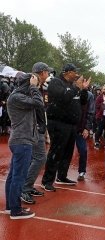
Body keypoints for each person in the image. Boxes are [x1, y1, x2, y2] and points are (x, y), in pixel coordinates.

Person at [41, 63, 90, 191]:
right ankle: (47, 180)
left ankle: (61, 176)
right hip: (58, 123)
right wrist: (76, 88)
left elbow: (83, 102)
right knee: (56, 152)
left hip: (72, 124)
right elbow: (64, 98)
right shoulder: (56, 83)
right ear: (67, 72)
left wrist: (84, 89)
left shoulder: (73, 86)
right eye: (75, 72)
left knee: (68, 152)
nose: (77, 75)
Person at [5, 71, 44, 219]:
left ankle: (11, 207)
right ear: (29, 83)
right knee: (18, 177)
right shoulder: (17, 97)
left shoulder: (18, 96)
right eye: (35, 84)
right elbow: (39, 104)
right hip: (22, 141)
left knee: (14, 176)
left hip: (21, 140)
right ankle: (15, 210)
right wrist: (34, 88)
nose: (37, 87)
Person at [20, 63, 52, 205]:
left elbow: (41, 109)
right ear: (42, 72)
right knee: (39, 158)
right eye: (47, 73)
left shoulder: (36, 85)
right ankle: (24, 188)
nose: (48, 75)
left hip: (37, 127)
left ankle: (27, 186)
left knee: (36, 158)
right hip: (31, 129)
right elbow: (36, 105)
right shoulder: (30, 85)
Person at [75, 89, 95, 181]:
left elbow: (91, 112)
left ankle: (82, 172)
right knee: (65, 151)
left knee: (83, 150)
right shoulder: (69, 90)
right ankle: (61, 173)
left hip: (81, 128)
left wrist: (87, 128)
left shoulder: (89, 95)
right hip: (68, 127)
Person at [94, 84, 105, 149]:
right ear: (102, 90)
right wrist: (103, 103)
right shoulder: (99, 97)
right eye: (104, 89)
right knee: (99, 129)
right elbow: (96, 106)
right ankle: (96, 141)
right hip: (101, 116)